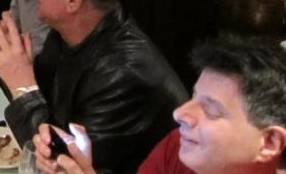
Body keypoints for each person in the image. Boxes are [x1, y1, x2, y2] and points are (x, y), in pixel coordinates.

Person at [0, 0, 187, 173]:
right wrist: (10, 61)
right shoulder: (65, 34)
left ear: (73, 0)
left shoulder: (123, 74)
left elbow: (60, 162)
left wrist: (22, 87)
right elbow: (37, 96)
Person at [34, 36, 286, 174]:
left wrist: (24, 88)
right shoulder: (176, 148)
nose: (179, 113)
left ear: (270, 142)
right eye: (194, 96)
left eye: (210, 109)